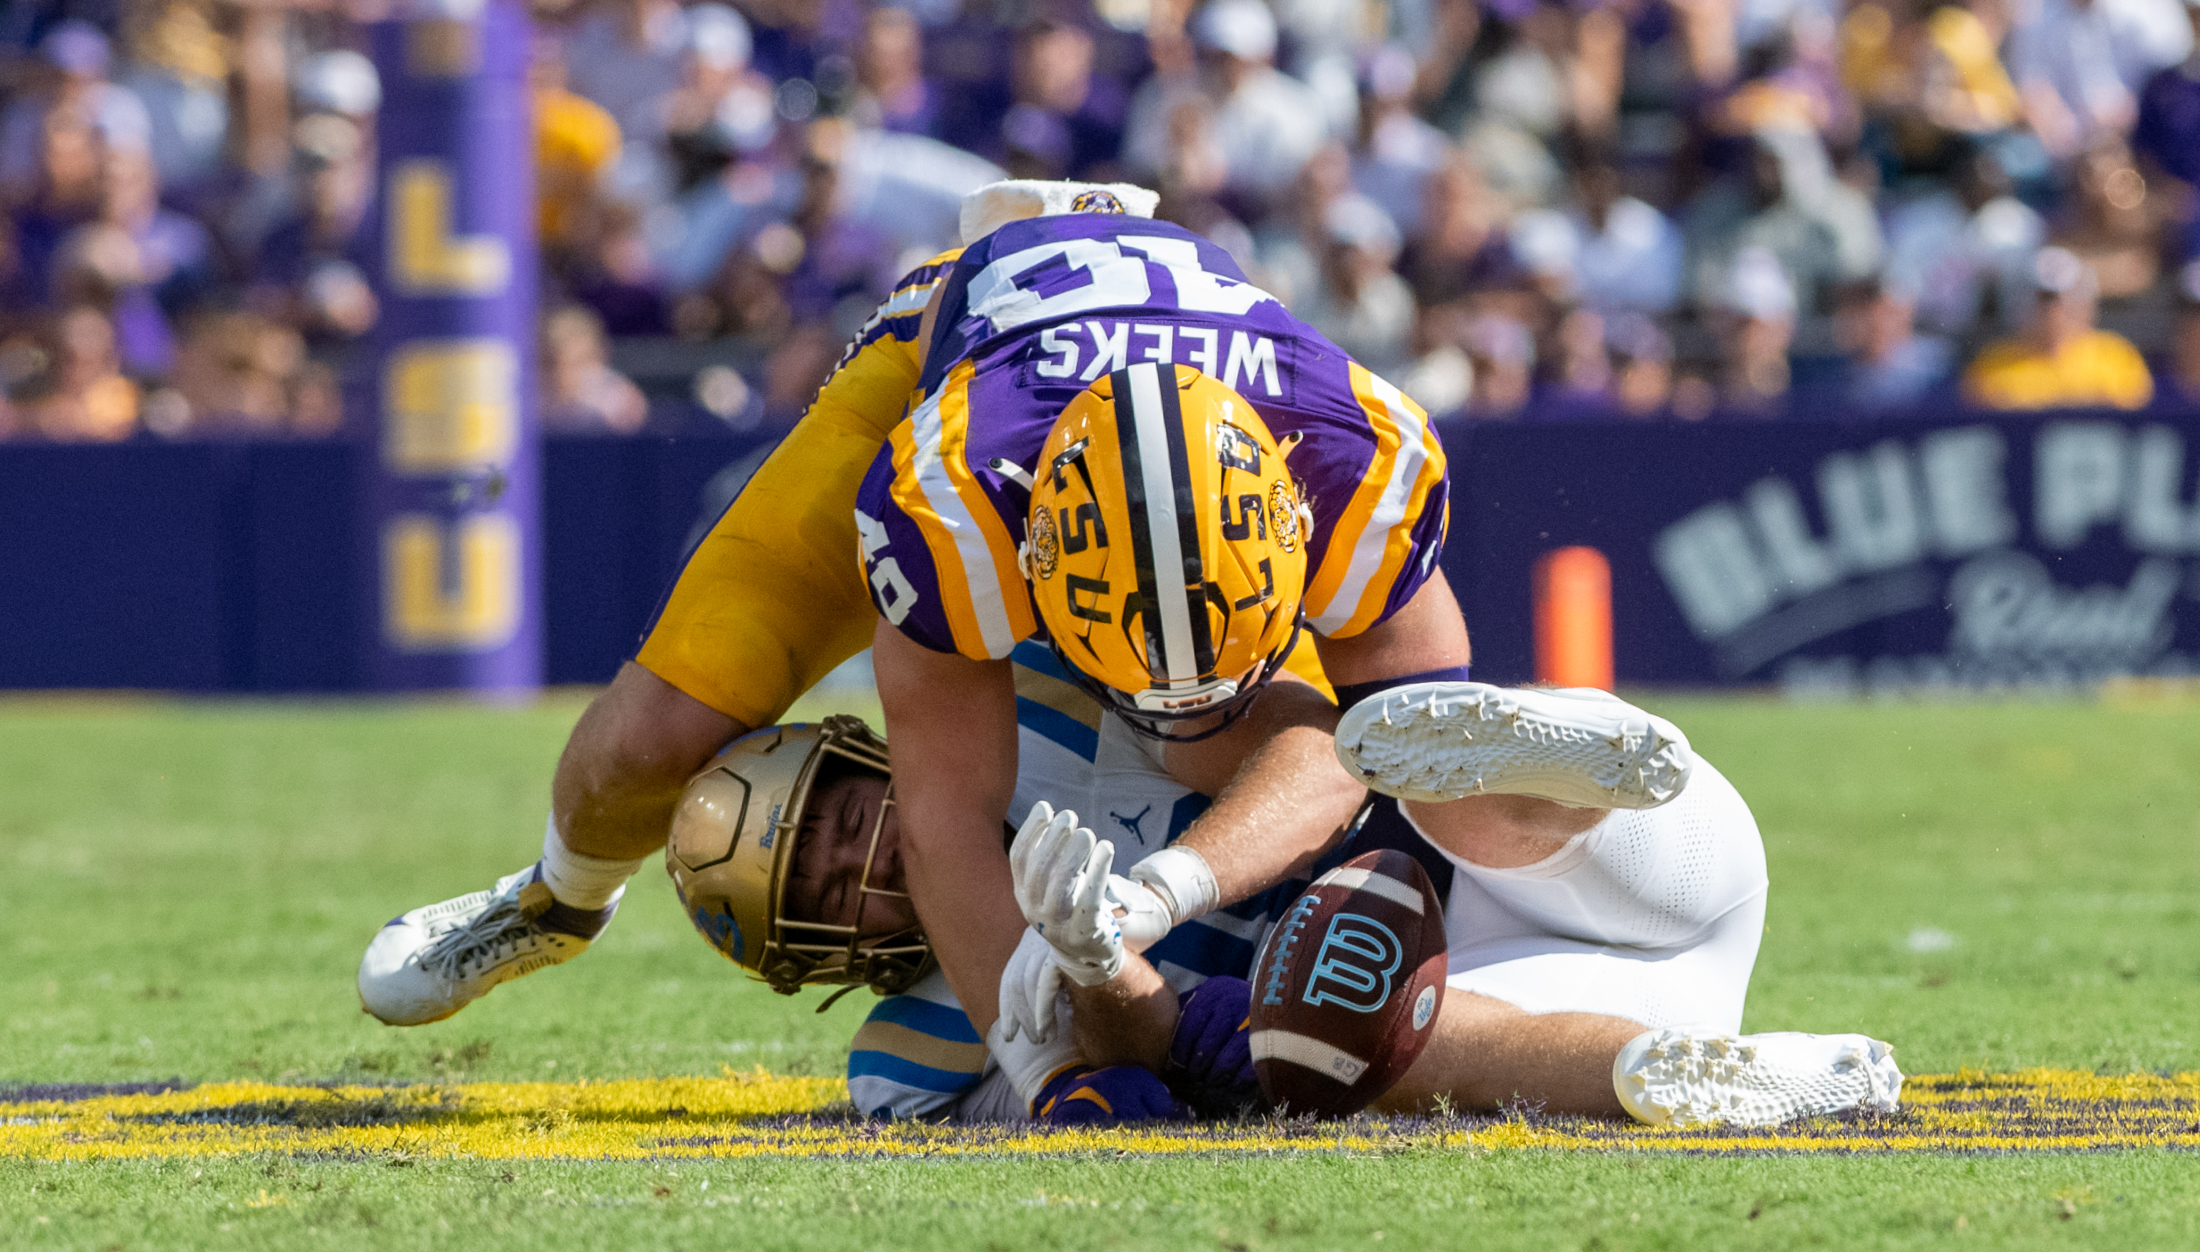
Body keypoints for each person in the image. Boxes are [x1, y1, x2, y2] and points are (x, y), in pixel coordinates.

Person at [653, 675, 1901, 1128]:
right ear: (807, 955)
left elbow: (1317, 747)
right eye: (815, 884)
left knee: (1410, 765)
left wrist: (1165, 886)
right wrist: (1099, 970)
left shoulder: (1036, 696)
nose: (856, 858)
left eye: (833, 816)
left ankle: (1558, 754)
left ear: (865, 759)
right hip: (1520, 987)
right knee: (1327, 1044)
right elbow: (1147, 1097)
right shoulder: (908, 1056)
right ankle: (1705, 1074)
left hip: (1604, 857)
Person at [1962, 245, 2154, 409]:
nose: (2053, 310)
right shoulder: (1991, 366)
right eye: (2042, 299)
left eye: (2063, 298)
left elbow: (2138, 417)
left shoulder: (2117, 358)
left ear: (2086, 302)